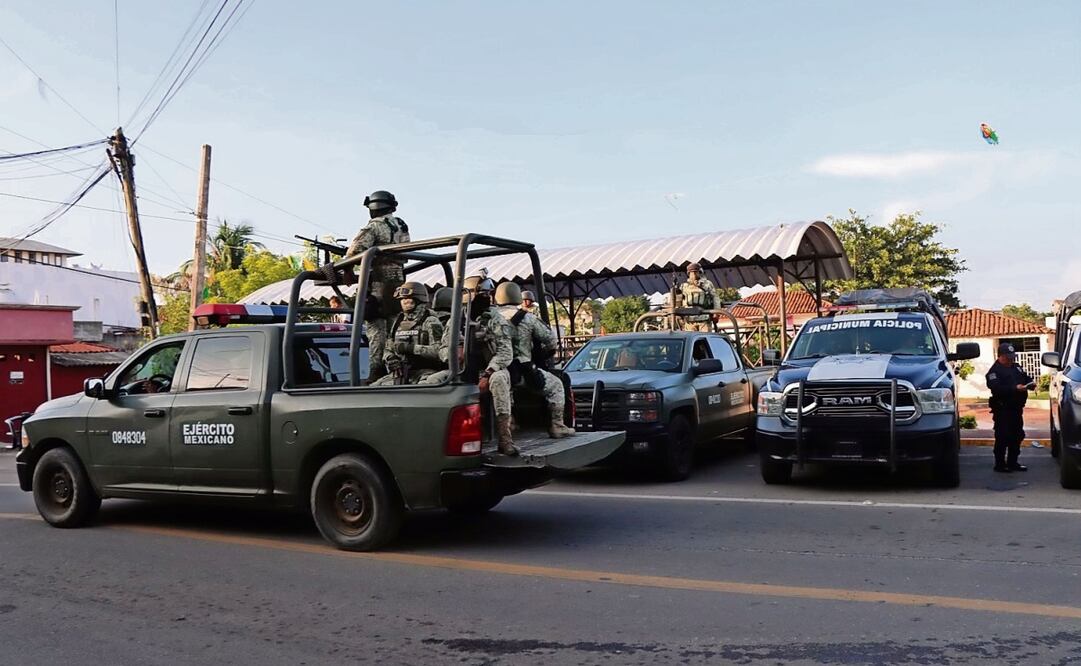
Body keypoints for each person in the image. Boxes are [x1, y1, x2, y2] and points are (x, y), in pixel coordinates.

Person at [424, 276, 519, 455]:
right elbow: (442, 349)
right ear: (470, 296)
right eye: (483, 294)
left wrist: (488, 374)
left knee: (499, 380)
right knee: (431, 382)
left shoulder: (495, 319)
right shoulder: (455, 321)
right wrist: (453, 353)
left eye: (488, 294)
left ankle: (505, 439)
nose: (487, 297)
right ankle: (433, 435)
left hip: (491, 369)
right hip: (462, 369)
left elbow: (505, 353)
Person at [495, 282, 575, 438]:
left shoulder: (488, 317)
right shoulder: (528, 318)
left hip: (495, 370)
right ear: (518, 297)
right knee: (557, 385)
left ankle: (509, 424)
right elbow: (551, 341)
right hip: (521, 369)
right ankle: (558, 425)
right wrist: (541, 355)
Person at [346, 190, 411, 380]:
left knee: (376, 331)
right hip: (397, 283)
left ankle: (376, 372)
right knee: (394, 330)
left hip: (377, 284)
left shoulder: (374, 226)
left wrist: (347, 268)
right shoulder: (401, 225)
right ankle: (396, 372)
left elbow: (354, 252)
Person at [372, 282, 444, 386]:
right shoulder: (398, 322)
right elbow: (388, 348)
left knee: (423, 387)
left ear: (419, 299)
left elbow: (439, 351)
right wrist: (391, 358)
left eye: (408, 298)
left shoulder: (430, 321)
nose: (404, 301)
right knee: (374, 389)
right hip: (401, 372)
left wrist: (410, 348)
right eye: (402, 299)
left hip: (426, 372)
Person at [986, 342, 1035, 473]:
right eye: (1008, 358)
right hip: (1003, 409)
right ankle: (1000, 464)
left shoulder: (1016, 367)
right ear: (1000, 356)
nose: (1010, 360)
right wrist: (1014, 388)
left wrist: (1030, 383)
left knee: (1017, 435)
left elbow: (1025, 377)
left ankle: (1013, 462)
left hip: (1016, 408)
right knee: (1003, 436)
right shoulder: (994, 372)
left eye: (1012, 357)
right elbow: (996, 388)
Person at [679, 262, 716, 332]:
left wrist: (716, 313)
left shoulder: (707, 284)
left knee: (705, 337)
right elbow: (679, 301)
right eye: (691, 272)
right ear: (688, 274)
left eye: (696, 272)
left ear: (700, 272)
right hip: (689, 319)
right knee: (691, 338)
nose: (694, 274)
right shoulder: (684, 286)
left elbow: (715, 298)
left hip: (704, 317)